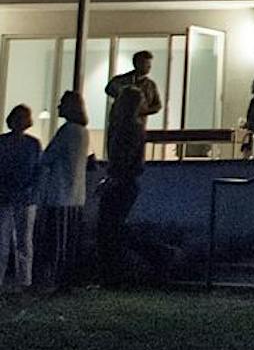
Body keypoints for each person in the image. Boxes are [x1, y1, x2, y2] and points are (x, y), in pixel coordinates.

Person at [98, 50, 161, 285]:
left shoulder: (149, 88)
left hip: (123, 177)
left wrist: (143, 110)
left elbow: (157, 106)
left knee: (112, 226)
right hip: (123, 174)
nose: (146, 67)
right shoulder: (122, 81)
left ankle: (120, 272)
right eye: (144, 63)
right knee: (113, 226)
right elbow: (109, 88)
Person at [33, 90, 89, 290]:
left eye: (62, 104)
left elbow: (47, 158)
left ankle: (54, 281)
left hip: (59, 194)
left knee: (55, 241)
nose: (58, 107)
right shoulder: (82, 131)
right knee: (69, 240)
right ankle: (67, 280)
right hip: (75, 195)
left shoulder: (67, 131)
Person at [0, 104, 41, 291]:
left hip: (13, 196)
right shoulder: (33, 144)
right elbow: (38, 170)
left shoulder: (4, 143)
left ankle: (19, 280)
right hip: (21, 196)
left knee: (10, 239)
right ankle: (24, 280)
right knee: (22, 240)